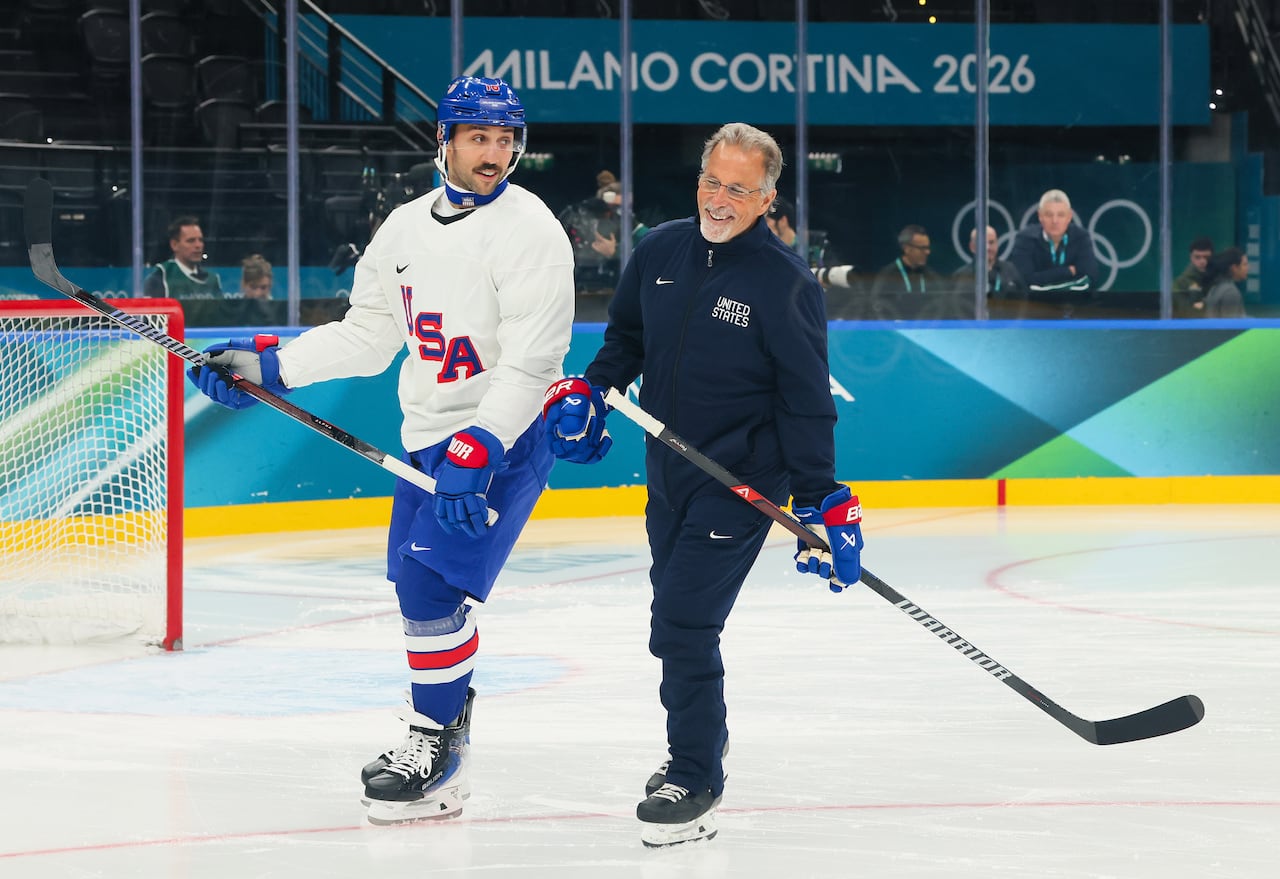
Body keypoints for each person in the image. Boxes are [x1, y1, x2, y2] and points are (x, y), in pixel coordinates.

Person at [187, 75, 574, 825]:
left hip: (503, 435)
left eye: (505, 140)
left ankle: (437, 742)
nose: (495, 154)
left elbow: (532, 362)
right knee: (415, 590)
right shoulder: (402, 229)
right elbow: (368, 338)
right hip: (429, 437)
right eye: (479, 139)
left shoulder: (533, 231)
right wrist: (274, 368)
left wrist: (483, 444)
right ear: (446, 141)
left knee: (431, 589)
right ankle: (445, 720)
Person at [541, 122, 864, 848]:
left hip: (742, 479)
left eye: (739, 189)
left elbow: (806, 397)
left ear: (767, 197)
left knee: (682, 622)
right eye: (711, 182)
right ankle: (691, 762)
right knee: (678, 621)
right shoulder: (659, 250)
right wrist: (593, 390)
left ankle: (695, 776)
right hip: (670, 469)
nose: (720, 198)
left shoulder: (784, 282)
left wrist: (821, 494)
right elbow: (625, 337)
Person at [1008, 189, 1099, 298]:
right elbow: (1022, 282)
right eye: (1048, 214)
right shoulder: (1025, 239)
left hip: (1075, 306)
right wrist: (1067, 272)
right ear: (1040, 216)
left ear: (1069, 217)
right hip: (1034, 307)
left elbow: (1088, 281)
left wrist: (1040, 284)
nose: (1055, 221)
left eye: (1060, 215)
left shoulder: (1081, 238)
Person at [559, 169, 627, 296]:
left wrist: (614, 253)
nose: (615, 211)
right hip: (575, 276)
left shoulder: (624, 221)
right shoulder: (573, 215)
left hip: (610, 280)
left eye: (618, 207)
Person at [867, 224, 948, 318]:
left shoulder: (932, 277)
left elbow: (943, 309)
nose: (927, 252)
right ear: (907, 249)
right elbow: (877, 309)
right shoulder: (887, 276)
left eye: (928, 248)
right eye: (922, 248)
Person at [143, 216, 224, 299]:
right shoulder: (160, 277)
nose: (198, 245)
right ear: (174, 245)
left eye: (200, 240)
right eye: (191, 241)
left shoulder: (212, 280)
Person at [952, 225, 1026, 309]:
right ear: (972, 247)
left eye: (991, 242)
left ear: (997, 244)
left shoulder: (1010, 270)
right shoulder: (961, 276)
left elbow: (1025, 302)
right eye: (983, 243)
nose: (988, 248)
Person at [1200, 247, 1248, 317]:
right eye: (1245, 264)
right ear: (1234, 268)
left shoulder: (1215, 287)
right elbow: (1230, 324)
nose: (1248, 268)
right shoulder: (1230, 292)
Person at [1172, 236, 1213, 317]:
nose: (1202, 261)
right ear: (1191, 258)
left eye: (1206, 257)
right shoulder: (1181, 283)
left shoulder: (1218, 279)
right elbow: (1184, 312)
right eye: (1197, 257)